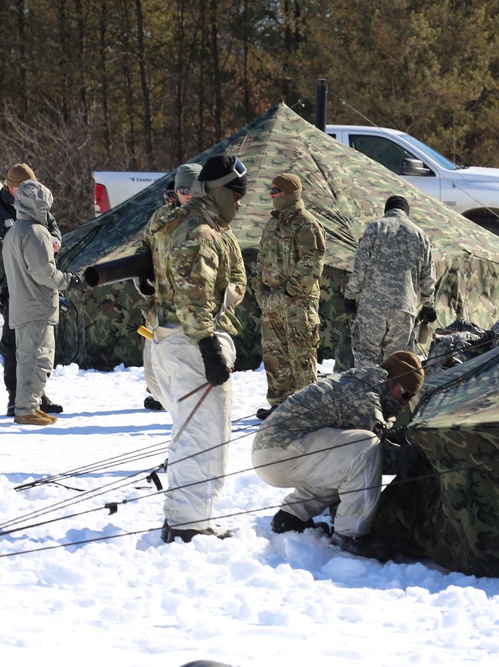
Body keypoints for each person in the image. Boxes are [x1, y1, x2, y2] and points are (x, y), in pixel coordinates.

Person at [140, 154, 247, 543]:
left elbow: (150, 274)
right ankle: (188, 525)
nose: (240, 201)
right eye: (236, 193)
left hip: (167, 339)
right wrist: (208, 348)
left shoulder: (168, 222)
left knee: (190, 433)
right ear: (217, 192)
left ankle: (188, 517)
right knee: (202, 437)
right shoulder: (200, 231)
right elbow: (194, 297)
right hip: (191, 343)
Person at [251, 350, 425, 555]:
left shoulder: (359, 383)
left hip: (273, 451)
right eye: (405, 396)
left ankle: (290, 517)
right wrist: (418, 455)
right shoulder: (364, 396)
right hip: (280, 452)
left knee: (345, 464)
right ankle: (350, 535)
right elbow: (374, 458)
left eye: (410, 399)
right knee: (364, 449)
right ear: (392, 382)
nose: (404, 404)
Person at [0, 163, 65, 417]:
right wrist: (22, 244)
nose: (26, 190)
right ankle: (16, 396)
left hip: (37, 285)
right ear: (9, 187)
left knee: (39, 347)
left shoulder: (35, 203)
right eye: (20, 188)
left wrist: (53, 241)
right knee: (15, 345)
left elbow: (53, 227)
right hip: (12, 283)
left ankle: (35, 396)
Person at [2, 180, 86, 426]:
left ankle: (29, 405)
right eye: (46, 206)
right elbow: (44, 274)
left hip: (22, 305)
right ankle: (27, 409)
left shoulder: (14, 231)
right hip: (36, 307)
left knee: (28, 359)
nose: (48, 211)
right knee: (39, 359)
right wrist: (70, 281)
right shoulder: (36, 232)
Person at [251, 173, 326, 420]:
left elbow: (311, 265)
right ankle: (279, 405)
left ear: (290, 193)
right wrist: (260, 291)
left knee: (301, 357)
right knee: (275, 357)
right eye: (270, 191)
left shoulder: (306, 224)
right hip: (272, 304)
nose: (271, 195)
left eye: (275, 191)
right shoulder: (272, 224)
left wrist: (288, 293)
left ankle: (308, 409)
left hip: (298, 305)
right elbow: (261, 259)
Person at [343, 195, 436, 367]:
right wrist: (429, 305)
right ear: (406, 212)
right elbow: (428, 276)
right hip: (404, 308)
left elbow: (359, 267)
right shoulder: (420, 235)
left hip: (372, 306)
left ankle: (367, 392)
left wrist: (350, 295)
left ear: (387, 210)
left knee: (366, 357)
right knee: (396, 363)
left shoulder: (375, 228)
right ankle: (388, 393)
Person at [142, 163, 202, 412]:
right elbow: (144, 247)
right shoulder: (161, 217)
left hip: (194, 313)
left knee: (192, 379)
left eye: (193, 188)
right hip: (160, 310)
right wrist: (141, 277)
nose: (187, 194)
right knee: (156, 374)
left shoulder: (209, 219)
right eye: (182, 189)